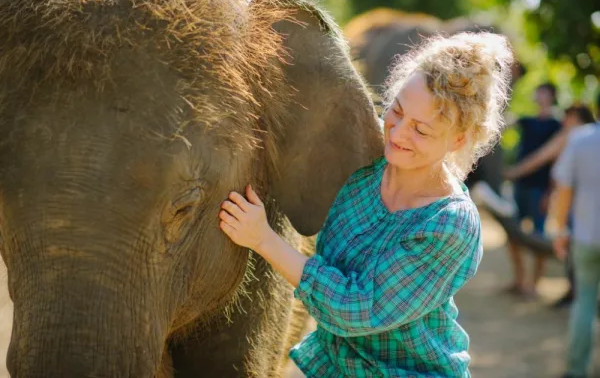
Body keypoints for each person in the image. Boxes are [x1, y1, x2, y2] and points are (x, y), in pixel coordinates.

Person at [218, 32, 514, 377]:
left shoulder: (449, 224)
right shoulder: (367, 156)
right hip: (333, 367)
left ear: (459, 139)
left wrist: (263, 239)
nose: (398, 133)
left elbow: (357, 308)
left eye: (421, 130)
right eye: (398, 111)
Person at [504, 105, 595, 307]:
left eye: (567, 118)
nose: (564, 123)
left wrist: (512, 173)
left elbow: (542, 158)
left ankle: (574, 293)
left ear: (575, 118)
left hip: (577, 206)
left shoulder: (575, 138)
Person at [551, 111, 600, 378]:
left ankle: (577, 370)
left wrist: (560, 229)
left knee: (585, 303)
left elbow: (564, 187)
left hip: (587, 236)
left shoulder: (581, 140)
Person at [503, 82, 562, 298]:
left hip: (540, 188)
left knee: (538, 236)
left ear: (552, 96)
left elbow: (555, 163)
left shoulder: (557, 125)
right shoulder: (526, 121)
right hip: (521, 187)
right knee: (513, 235)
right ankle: (519, 281)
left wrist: (550, 192)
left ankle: (533, 285)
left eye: (544, 92)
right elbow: (505, 122)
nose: (540, 96)